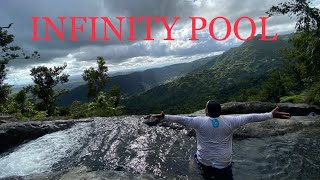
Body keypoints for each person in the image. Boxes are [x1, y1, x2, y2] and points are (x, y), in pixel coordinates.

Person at [149, 100, 291, 180]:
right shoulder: (230, 121)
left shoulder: (199, 122)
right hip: (224, 163)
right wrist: (270, 115)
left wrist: (165, 117)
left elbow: (182, 119)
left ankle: (192, 174)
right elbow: (251, 117)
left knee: (193, 159)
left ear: (207, 112)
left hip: (204, 161)